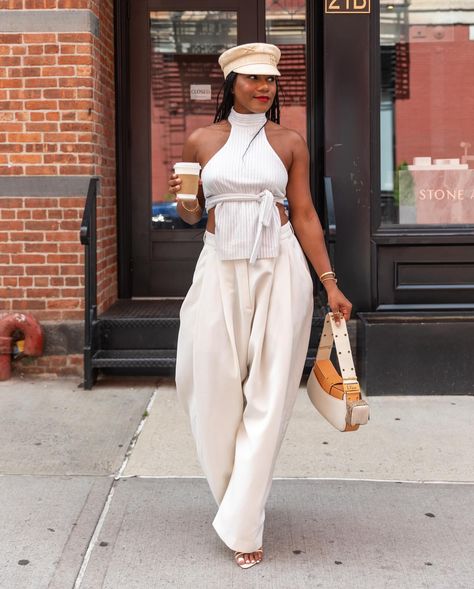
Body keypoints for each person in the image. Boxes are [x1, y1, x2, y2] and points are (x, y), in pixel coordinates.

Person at [169, 43, 352, 569]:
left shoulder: (289, 142)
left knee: (269, 397)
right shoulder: (202, 140)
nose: (264, 87)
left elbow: (306, 214)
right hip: (219, 271)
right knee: (207, 387)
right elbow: (190, 214)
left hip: (281, 271)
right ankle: (234, 499)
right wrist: (184, 202)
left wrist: (329, 283)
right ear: (230, 84)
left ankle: (244, 523)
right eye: (252, 78)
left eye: (271, 79)